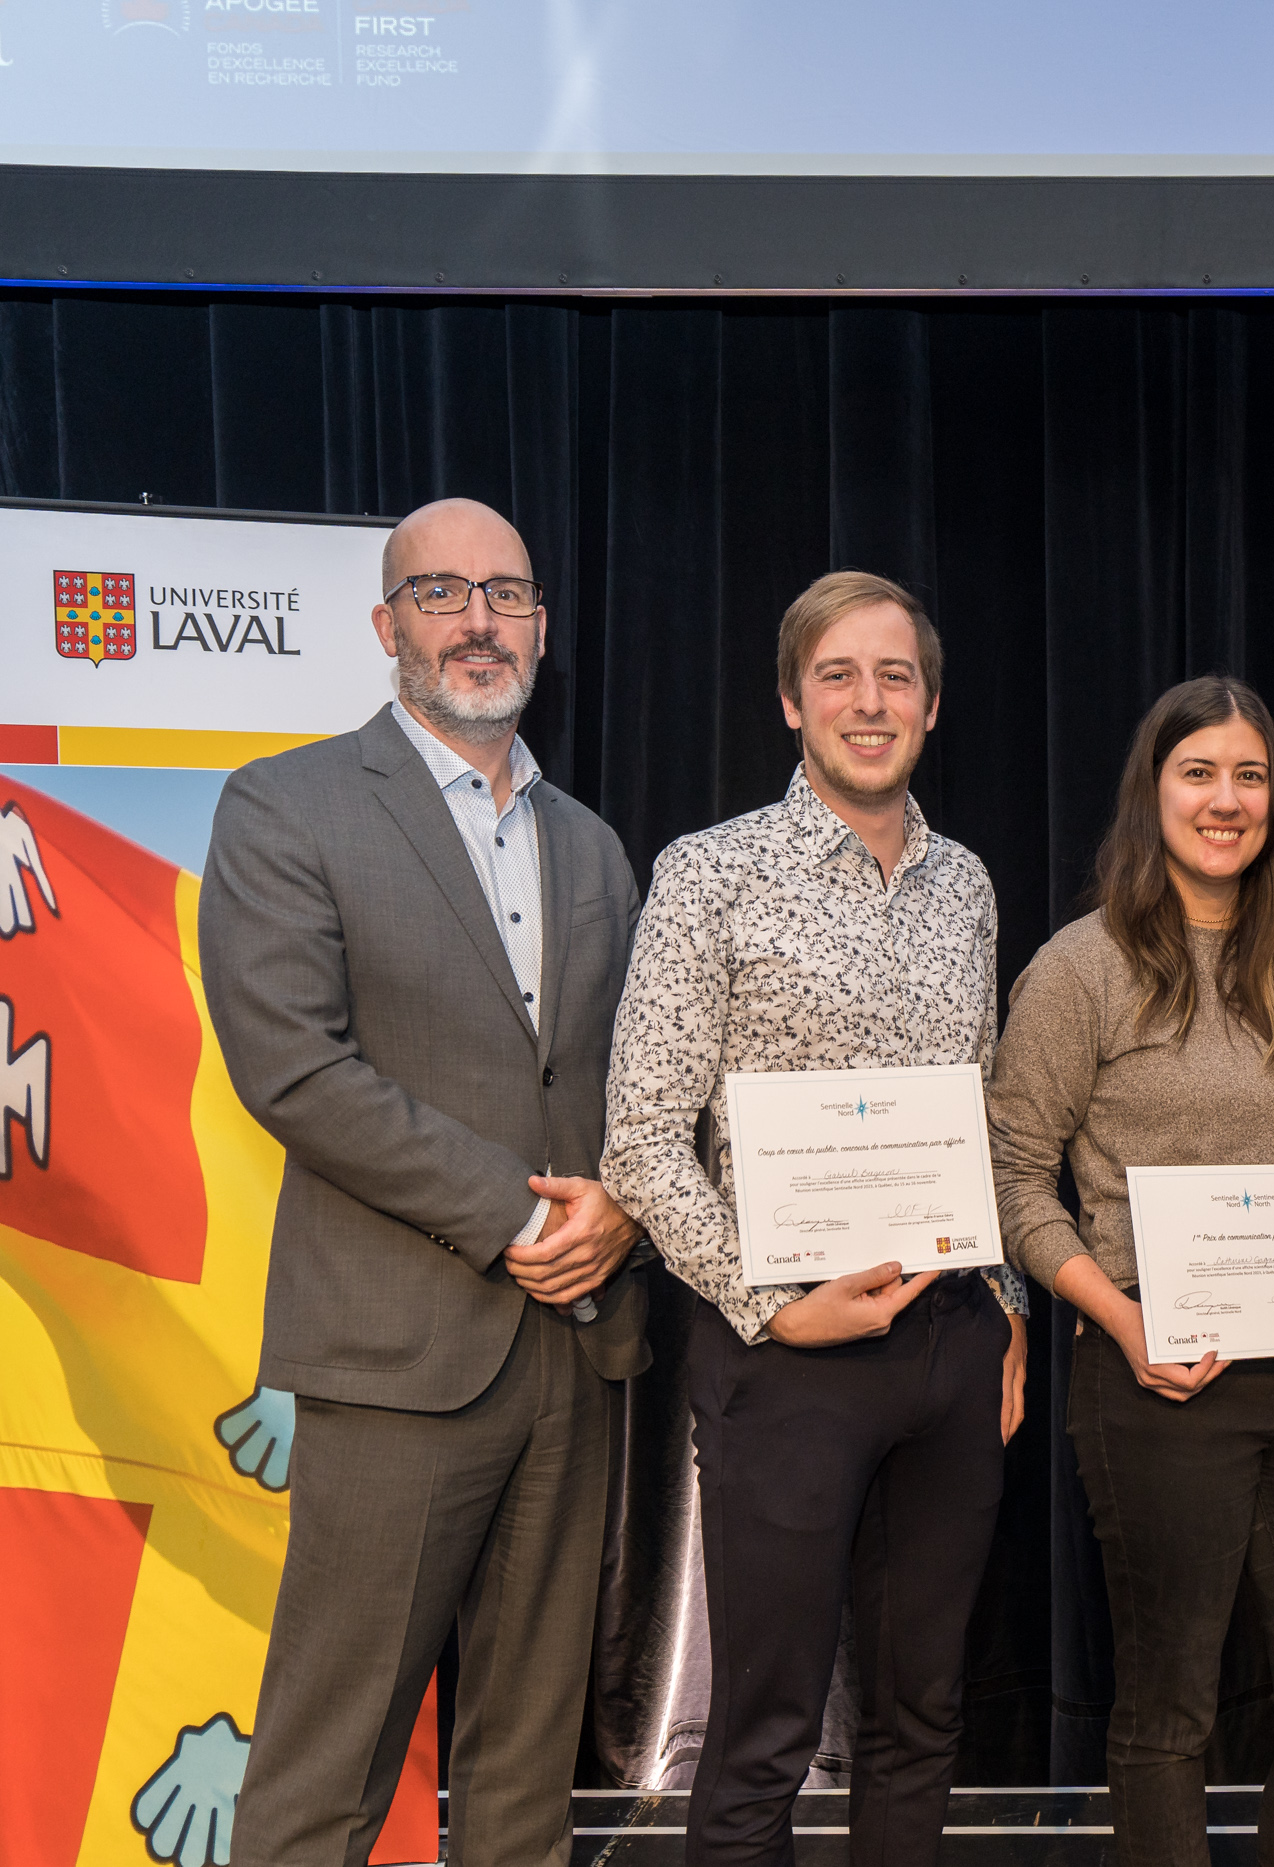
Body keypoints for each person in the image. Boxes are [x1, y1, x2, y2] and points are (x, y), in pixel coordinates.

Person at [202, 496, 650, 1867]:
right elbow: (295, 1067)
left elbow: (635, 1077)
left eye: (505, 593)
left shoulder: (595, 843)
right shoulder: (286, 804)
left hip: (576, 1352)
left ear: (543, 630)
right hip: (396, 1353)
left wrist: (622, 1205)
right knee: (326, 1769)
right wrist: (520, 1213)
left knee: (524, 1768)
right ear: (387, 624)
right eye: (442, 591)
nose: (477, 620)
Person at [600, 570, 1029, 1867]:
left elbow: (984, 1110)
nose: (868, 698)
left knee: (922, 1715)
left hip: (949, 1343)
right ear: (792, 700)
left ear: (934, 704)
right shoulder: (710, 873)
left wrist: (1005, 1307)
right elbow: (639, 1138)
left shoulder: (967, 885)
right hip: (787, 1351)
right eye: (838, 673)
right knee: (765, 1728)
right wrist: (768, 1301)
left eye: (895, 674)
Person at [988, 675, 1274, 1867]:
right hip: (1154, 1379)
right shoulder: (1081, 968)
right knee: (1169, 1715)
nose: (1226, 800)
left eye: (1249, 775)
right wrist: (1115, 1318)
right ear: (1152, 792)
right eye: (1198, 773)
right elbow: (1014, 1177)